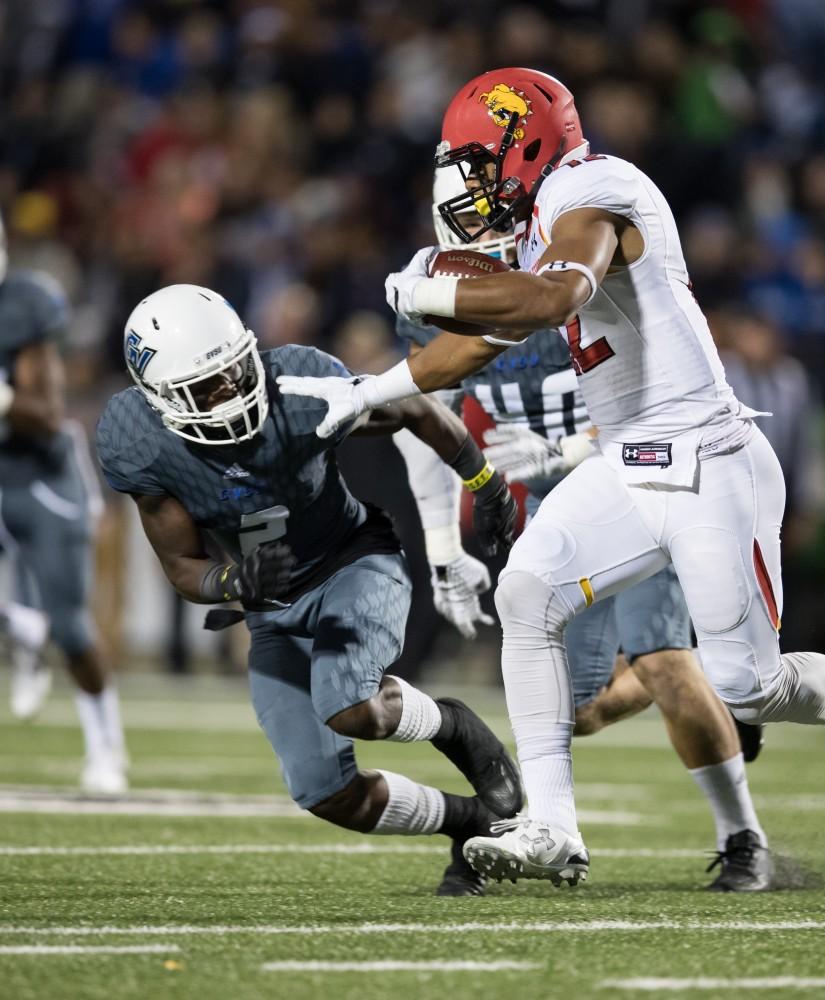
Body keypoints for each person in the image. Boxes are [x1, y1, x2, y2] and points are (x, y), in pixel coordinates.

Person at [279, 68, 825, 889]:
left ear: (524, 144)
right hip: (628, 462)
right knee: (527, 596)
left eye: (478, 160)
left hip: (709, 459)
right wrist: (370, 391)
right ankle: (551, 826)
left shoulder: (593, 188)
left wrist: (430, 287)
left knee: (742, 685)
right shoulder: (543, 218)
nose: (469, 183)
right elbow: (475, 349)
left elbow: (555, 297)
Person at [390, 168, 770, 891]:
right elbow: (420, 416)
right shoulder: (449, 295)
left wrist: (568, 450)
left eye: (487, 212)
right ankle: (538, 822)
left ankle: (741, 833)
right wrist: (443, 550)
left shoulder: (571, 272)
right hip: (559, 518)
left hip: (644, 480)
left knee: (663, 660)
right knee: (577, 709)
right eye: (463, 218)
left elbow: (647, 392)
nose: (480, 231)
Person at [96, 284, 522, 896]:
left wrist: (484, 483)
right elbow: (182, 564)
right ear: (160, 399)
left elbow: (415, 409)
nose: (233, 392)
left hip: (352, 561)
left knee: (350, 707)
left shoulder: (297, 386)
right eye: (207, 387)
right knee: (325, 793)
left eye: (236, 370)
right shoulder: (140, 443)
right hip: (271, 606)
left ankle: (456, 727)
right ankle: (473, 823)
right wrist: (230, 581)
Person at [0, 216, 127, 794]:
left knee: (73, 628)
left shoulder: (25, 306)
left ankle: (107, 749)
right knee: (33, 616)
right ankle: (20, 625)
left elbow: (45, 415)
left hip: (44, 478)